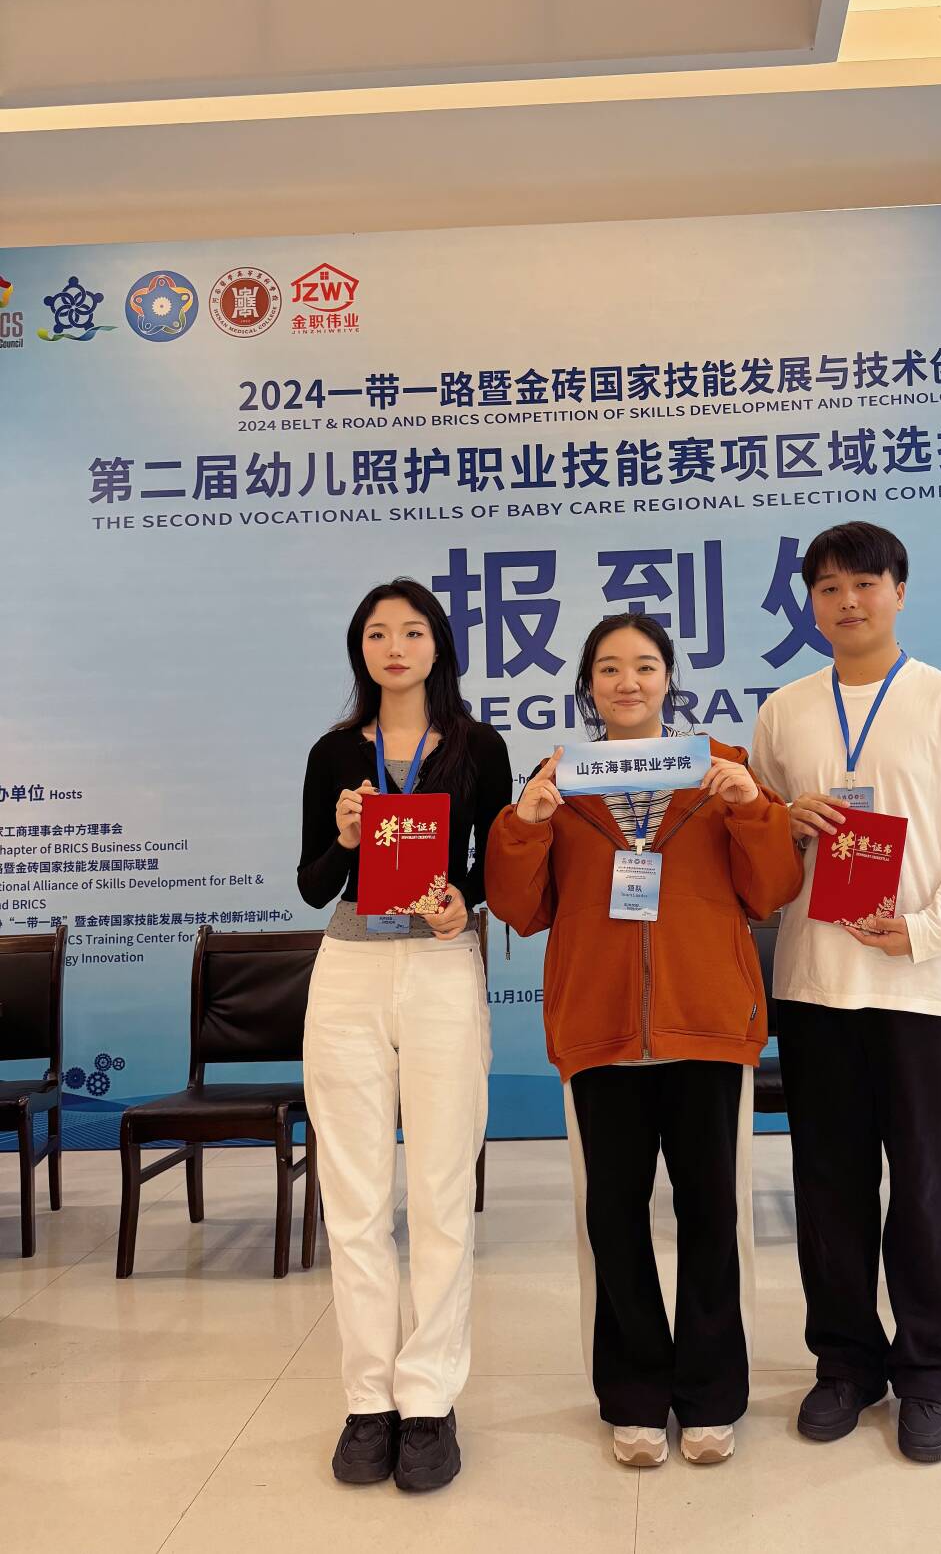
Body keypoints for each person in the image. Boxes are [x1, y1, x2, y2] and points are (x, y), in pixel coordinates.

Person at [485, 613, 802, 1468]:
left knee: (711, 1215)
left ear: (669, 677)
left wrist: (751, 810)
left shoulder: (722, 767)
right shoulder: (559, 780)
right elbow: (518, 907)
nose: (628, 681)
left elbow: (772, 888)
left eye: (645, 665)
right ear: (588, 684)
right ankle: (632, 1394)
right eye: (609, 667)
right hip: (600, 1029)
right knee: (614, 1218)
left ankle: (710, 1395)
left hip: (708, 1026)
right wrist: (527, 820)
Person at [749, 522, 941, 1464]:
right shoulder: (784, 711)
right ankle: (845, 1364)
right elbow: (757, 850)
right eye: (828, 587)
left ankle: (930, 1377)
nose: (847, 601)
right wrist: (785, 823)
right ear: (810, 604)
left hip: (922, 990)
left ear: (899, 590)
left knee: (928, 1191)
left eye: (865, 583)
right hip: (816, 986)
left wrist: (927, 929)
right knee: (828, 1189)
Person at [298, 577, 511, 1492]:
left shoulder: (477, 746)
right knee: (352, 1195)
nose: (395, 647)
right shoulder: (333, 752)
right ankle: (368, 1400)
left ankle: (428, 1398)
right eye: (378, 633)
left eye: (413, 631)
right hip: (348, 969)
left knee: (438, 1190)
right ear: (360, 648)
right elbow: (312, 883)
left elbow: (496, 864)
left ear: (438, 647)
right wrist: (346, 839)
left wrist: (467, 899)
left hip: (438, 965)